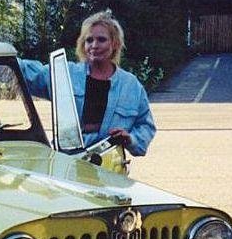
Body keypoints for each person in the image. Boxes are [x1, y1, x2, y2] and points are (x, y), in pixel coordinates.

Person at [16, 10, 156, 156]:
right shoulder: (65, 74)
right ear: (83, 44)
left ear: (115, 43)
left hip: (111, 167)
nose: (94, 45)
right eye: (89, 40)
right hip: (68, 161)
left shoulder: (131, 85)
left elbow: (146, 125)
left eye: (101, 40)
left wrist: (131, 139)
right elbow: (26, 72)